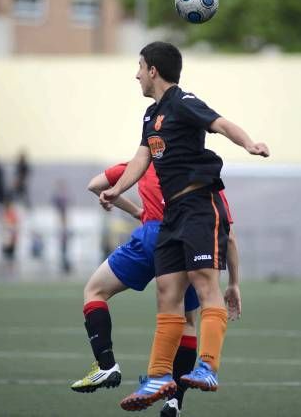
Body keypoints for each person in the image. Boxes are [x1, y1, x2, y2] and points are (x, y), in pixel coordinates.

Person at [99, 41, 268, 411]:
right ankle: (159, 376)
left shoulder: (183, 101)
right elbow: (141, 159)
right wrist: (115, 190)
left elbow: (220, 124)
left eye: (140, 67)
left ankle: (208, 366)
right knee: (167, 294)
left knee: (205, 284)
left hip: (199, 207)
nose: (137, 74)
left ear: (154, 70)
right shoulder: (150, 116)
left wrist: (249, 144)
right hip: (172, 214)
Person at [71, 161, 241, 417]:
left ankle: (106, 364)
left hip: (151, 236)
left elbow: (95, 185)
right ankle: (175, 401)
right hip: (187, 240)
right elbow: (228, 234)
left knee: (95, 290)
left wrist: (136, 211)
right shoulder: (200, 173)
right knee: (186, 319)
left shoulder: (139, 164)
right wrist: (234, 283)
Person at [52, 179, 72, 274]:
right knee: (63, 251)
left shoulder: (64, 198)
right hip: (62, 230)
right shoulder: (60, 198)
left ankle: (65, 266)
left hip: (64, 231)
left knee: (65, 251)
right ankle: (64, 266)